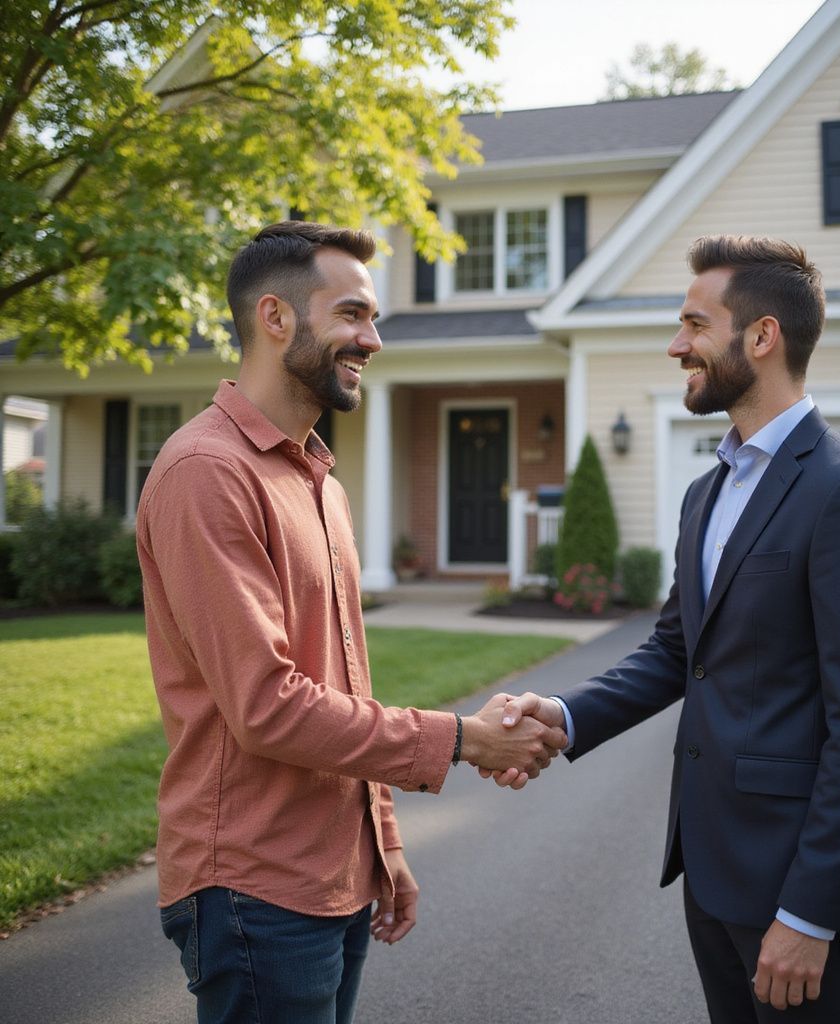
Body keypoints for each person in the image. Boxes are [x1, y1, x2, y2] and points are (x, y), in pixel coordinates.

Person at [136, 220, 565, 1024]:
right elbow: (268, 705)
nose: (372, 339)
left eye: (374, 321)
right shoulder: (206, 473)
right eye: (353, 315)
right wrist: (465, 739)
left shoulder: (320, 480)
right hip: (254, 888)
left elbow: (343, 677)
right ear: (276, 317)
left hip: (338, 869)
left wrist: (383, 842)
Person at [497, 235, 840, 1022]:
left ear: (761, 337)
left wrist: (808, 912)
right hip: (714, 869)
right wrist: (562, 715)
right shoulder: (707, 491)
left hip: (802, 888)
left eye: (694, 324)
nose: (675, 345)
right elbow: (676, 653)